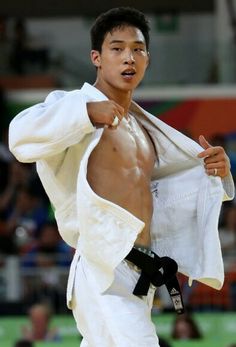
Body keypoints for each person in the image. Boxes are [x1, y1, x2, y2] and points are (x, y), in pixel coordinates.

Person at [8, 7, 235, 347]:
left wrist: (217, 172)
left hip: (141, 271)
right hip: (104, 266)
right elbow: (19, 136)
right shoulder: (75, 105)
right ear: (96, 57)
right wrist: (85, 113)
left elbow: (169, 191)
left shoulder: (143, 129)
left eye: (137, 49)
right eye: (117, 48)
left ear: (147, 59)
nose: (129, 57)